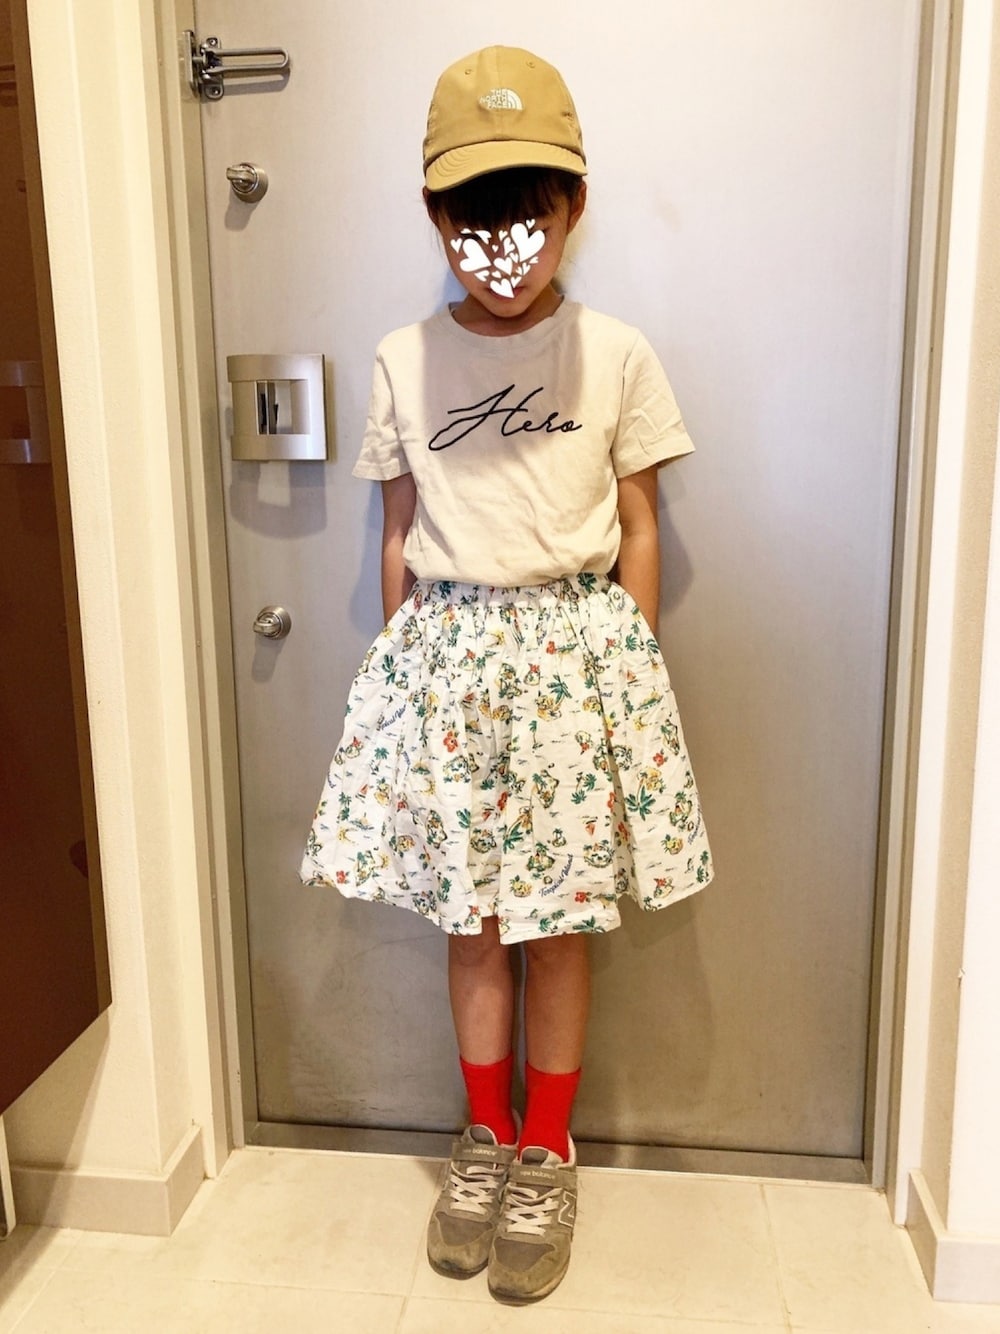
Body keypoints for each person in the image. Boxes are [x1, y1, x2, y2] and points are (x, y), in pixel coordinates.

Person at [300, 44, 713, 1304]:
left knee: (558, 923)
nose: (503, 248)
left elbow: (637, 521)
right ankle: (481, 1133)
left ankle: (547, 1147)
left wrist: (630, 669)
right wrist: (398, 686)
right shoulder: (404, 359)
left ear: (573, 206)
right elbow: (397, 530)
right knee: (474, 922)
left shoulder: (614, 352)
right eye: (474, 220)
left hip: (572, 671)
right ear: (436, 216)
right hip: (451, 671)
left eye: (528, 215)